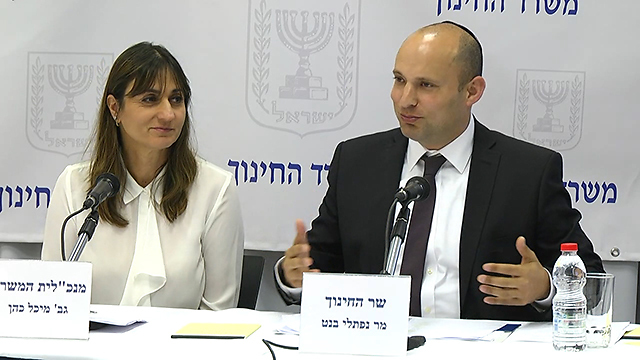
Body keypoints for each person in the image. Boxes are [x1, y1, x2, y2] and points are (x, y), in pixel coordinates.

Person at [275, 21, 604, 321]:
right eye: (399, 80)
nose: (405, 100)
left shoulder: (526, 171)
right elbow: (317, 265)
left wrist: (545, 286)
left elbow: (590, 278)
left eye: (426, 86)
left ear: (471, 91)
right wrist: (293, 275)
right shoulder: (357, 162)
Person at [41, 42, 244, 310]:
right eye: (150, 99)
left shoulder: (215, 189)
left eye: (176, 99)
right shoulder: (74, 186)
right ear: (115, 108)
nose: (168, 114)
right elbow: (50, 304)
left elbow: (219, 316)